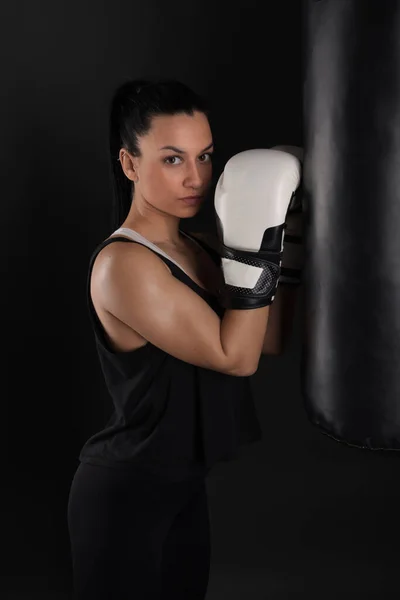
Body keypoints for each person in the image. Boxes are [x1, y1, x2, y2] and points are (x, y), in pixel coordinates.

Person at [67, 78, 302, 599]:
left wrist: (287, 246)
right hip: (126, 493)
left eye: (205, 156)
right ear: (129, 164)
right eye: (173, 159)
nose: (196, 177)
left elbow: (268, 342)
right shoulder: (123, 265)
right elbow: (235, 357)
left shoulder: (198, 247)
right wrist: (259, 250)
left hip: (182, 487)